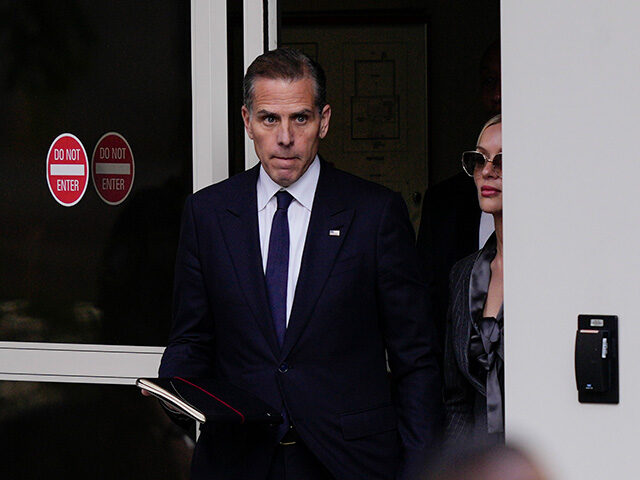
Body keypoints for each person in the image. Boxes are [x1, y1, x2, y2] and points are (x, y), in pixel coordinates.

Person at [158, 48, 442, 480]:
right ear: (247, 121)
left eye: (301, 119)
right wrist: (178, 402)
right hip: (238, 461)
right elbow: (191, 340)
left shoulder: (375, 214)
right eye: (270, 118)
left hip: (348, 463)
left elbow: (415, 358)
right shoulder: (208, 214)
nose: (285, 137)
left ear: (323, 121)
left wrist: (421, 469)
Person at [416, 40, 501, 350]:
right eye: (490, 81)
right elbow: (428, 311)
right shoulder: (444, 202)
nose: (498, 95)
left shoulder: (563, 199)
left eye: (509, 79)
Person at [443, 115, 503, 445]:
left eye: (503, 160)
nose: (487, 171)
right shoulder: (464, 273)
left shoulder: (550, 273)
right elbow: (456, 399)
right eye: (479, 159)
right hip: (481, 459)